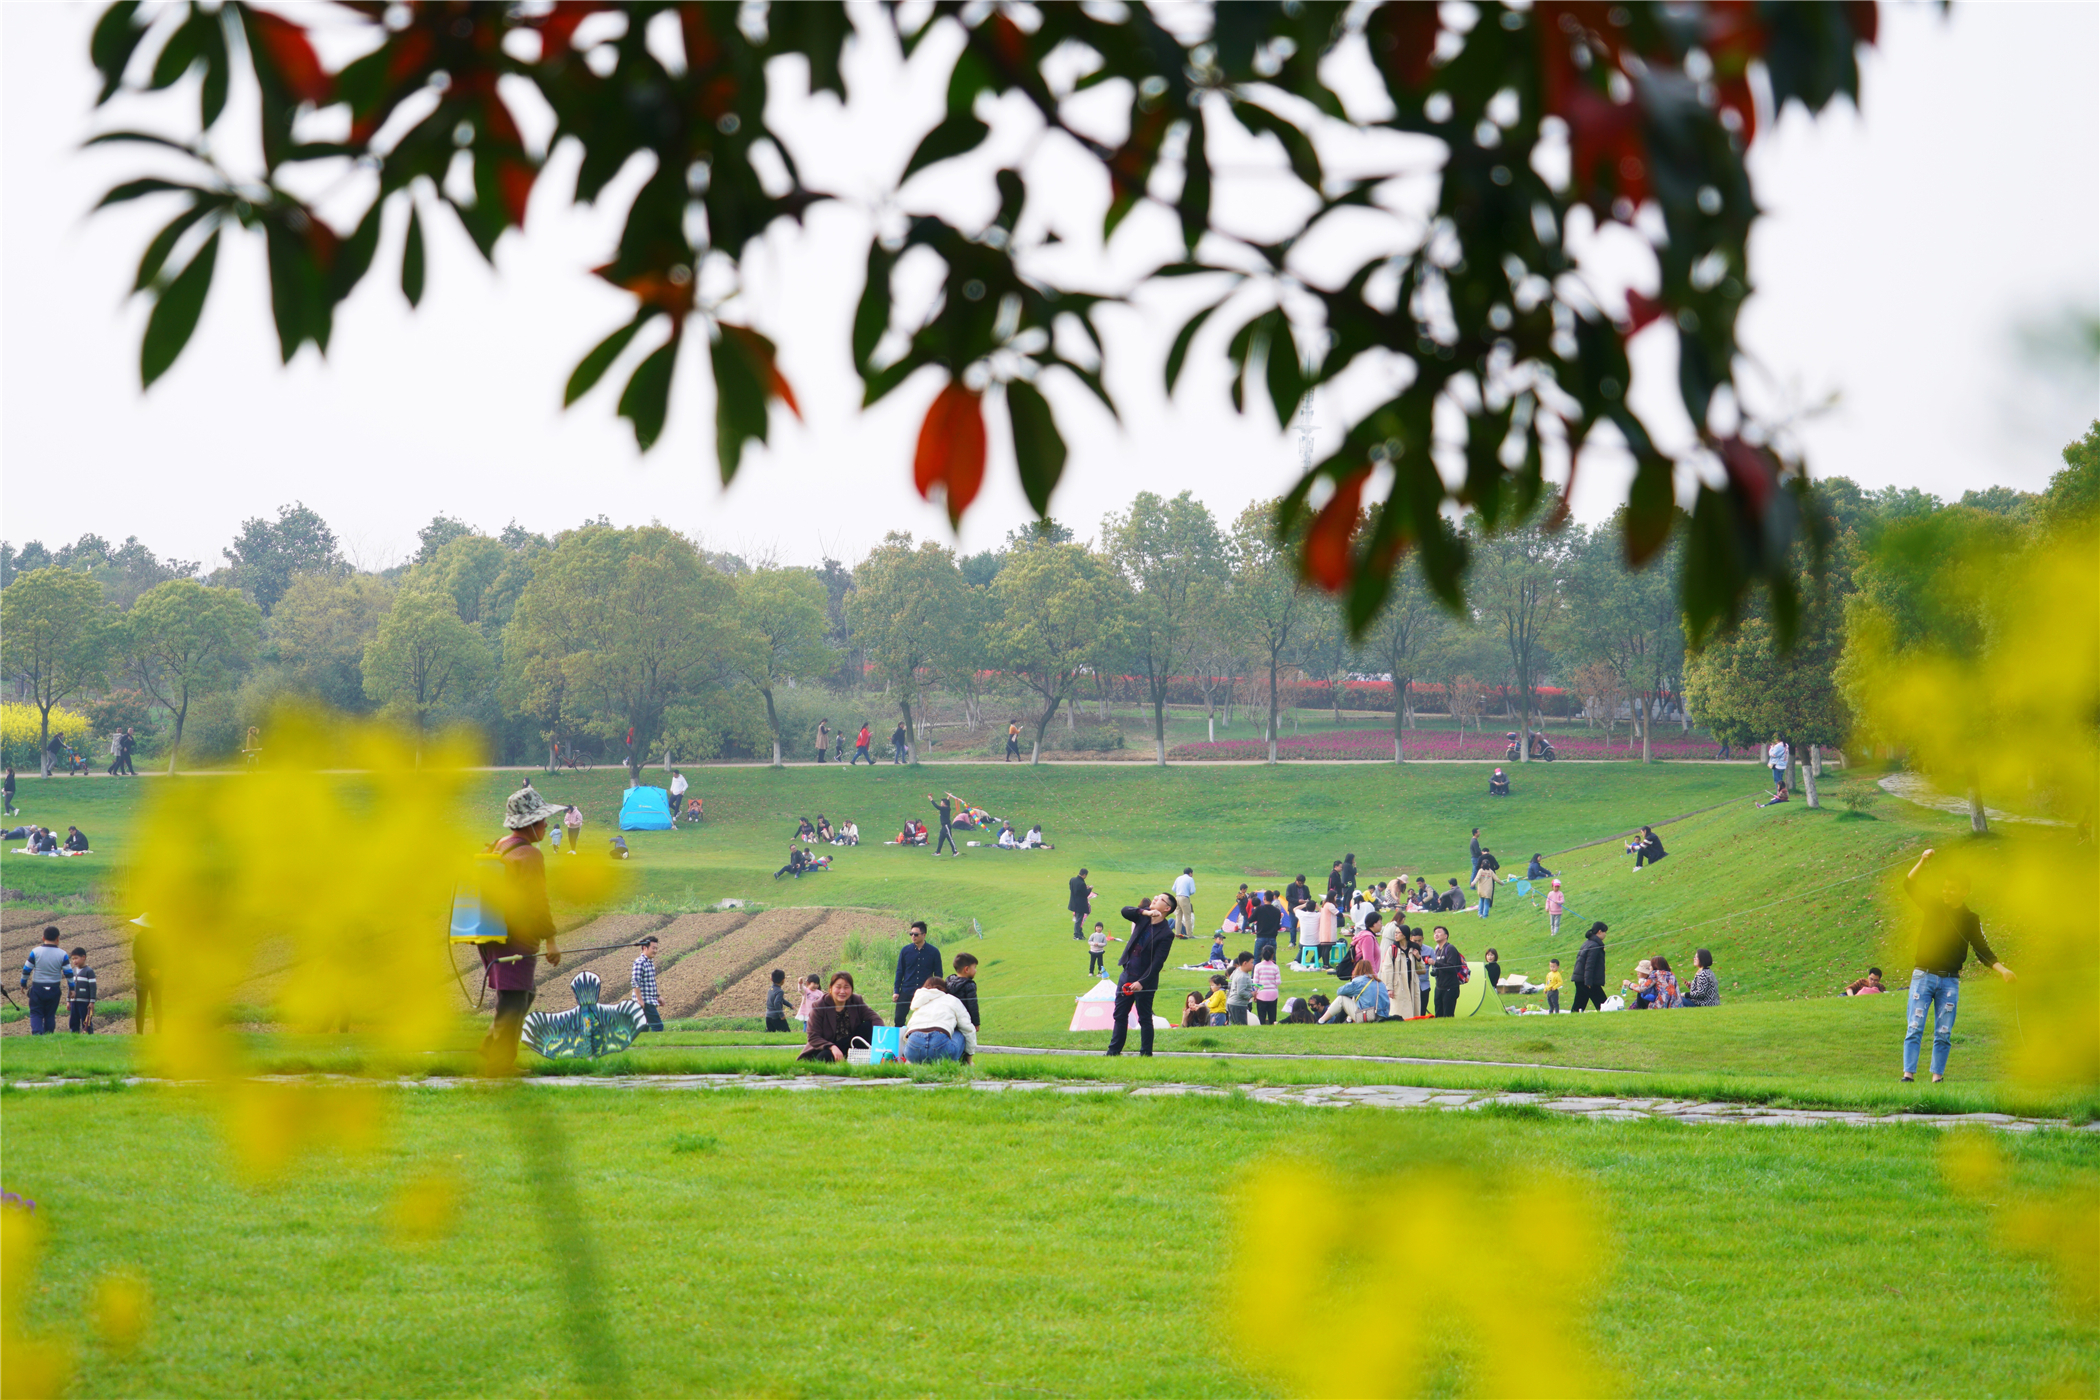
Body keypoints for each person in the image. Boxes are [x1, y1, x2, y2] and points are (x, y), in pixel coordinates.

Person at [1901, 848, 2014, 1083]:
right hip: (1923, 975)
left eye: (1951, 888)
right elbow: (1909, 885)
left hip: (1950, 980)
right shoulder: (1933, 905)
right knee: (1915, 1026)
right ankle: (1908, 1076)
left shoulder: (1970, 919)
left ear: (1964, 891)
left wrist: (2003, 971)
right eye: (1944, 887)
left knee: (1943, 1032)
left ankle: (1937, 1078)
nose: (1945, 892)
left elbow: (1982, 950)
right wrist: (1922, 860)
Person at [479, 788, 567, 1072]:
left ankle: (489, 1049)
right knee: (515, 998)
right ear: (529, 823)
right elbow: (538, 902)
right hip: (516, 938)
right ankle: (500, 1064)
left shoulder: (499, 845)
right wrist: (551, 941)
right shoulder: (529, 855)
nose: (545, 825)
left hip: (491, 934)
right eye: (542, 820)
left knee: (522, 994)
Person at [1107, 894, 1175, 1057]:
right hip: (1127, 974)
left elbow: (1158, 963)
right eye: (1156, 896)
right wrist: (1146, 913)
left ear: (1167, 909)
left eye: (1160, 899)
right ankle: (1113, 1051)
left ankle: (1145, 1054)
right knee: (1119, 1014)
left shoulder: (1166, 934)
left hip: (1146, 981)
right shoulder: (1143, 916)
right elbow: (1125, 911)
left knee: (1144, 1018)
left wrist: (1142, 982)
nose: (1155, 898)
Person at [800, 972, 881, 1062]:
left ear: (851, 989)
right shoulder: (820, 1005)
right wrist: (832, 1047)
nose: (842, 991)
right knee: (824, 1057)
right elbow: (813, 1036)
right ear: (830, 988)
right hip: (827, 1046)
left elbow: (875, 1018)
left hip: (849, 1043)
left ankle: (866, 1055)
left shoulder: (856, 1001)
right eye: (838, 987)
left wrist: (881, 1040)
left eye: (846, 987)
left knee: (868, 1026)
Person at [903, 974, 978, 1063]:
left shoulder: (919, 1002)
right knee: (961, 1031)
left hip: (913, 1049)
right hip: (940, 1046)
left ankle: (914, 1062)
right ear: (944, 988)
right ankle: (956, 1062)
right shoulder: (952, 999)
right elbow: (968, 1029)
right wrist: (969, 1057)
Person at [19, 927, 71, 1035]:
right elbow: (69, 974)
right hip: (54, 989)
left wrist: (23, 984)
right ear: (58, 939)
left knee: (36, 1013)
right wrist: (72, 989)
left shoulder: (35, 952)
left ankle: (37, 1034)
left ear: (43, 938)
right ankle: (48, 1035)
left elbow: (26, 970)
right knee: (50, 1015)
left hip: (38, 988)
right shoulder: (63, 954)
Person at [1321, 960, 1392, 1023]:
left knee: (1341, 999)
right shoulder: (1379, 982)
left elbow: (1339, 991)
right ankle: (1348, 1020)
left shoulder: (1359, 981)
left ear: (1357, 969)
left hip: (1368, 1016)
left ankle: (1321, 1021)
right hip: (1383, 1016)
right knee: (1358, 997)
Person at [1571, 923, 1609, 1013]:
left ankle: (1572, 1017)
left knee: (1579, 1004)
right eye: (1605, 932)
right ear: (1599, 932)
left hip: (1581, 979)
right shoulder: (1595, 946)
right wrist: (1588, 982)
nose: (1605, 934)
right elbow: (1589, 965)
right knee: (1603, 1004)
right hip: (1588, 980)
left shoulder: (1587, 943)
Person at [1428, 926, 1465, 1018]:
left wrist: (1436, 963)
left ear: (1446, 936)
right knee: (1438, 1015)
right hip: (1439, 987)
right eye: (1435, 933)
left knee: (1448, 1016)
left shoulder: (1450, 948)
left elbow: (1452, 967)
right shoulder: (1437, 950)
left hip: (1450, 987)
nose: (1436, 934)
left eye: (1439, 932)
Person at [632, 937, 664, 1032]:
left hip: (650, 1000)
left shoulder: (650, 962)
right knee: (658, 1026)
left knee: (643, 1028)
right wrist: (640, 1000)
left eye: (656, 948)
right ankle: (657, 1046)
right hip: (645, 1001)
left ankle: (645, 1046)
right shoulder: (640, 962)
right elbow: (635, 981)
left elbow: (651, 982)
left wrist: (658, 996)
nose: (655, 951)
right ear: (645, 948)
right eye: (653, 948)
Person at [946, 953, 981, 1033]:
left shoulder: (949, 981)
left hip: (949, 1019)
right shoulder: (969, 985)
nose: (975, 970)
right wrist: (976, 1023)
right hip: (964, 1019)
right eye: (974, 968)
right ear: (966, 969)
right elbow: (973, 1005)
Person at [66, 947, 97, 1033]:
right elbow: (70, 987)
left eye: (76, 958)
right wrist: (68, 1000)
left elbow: (93, 987)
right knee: (73, 1022)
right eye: (72, 959)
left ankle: (89, 1036)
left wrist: (92, 1002)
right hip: (74, 1002)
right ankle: (74, 1037)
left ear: (83, 957)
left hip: (84, 1003)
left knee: (86, 1022)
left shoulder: (89, 971)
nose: (74, 961)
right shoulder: (72, 971)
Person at [1250, 892, 1283, 964]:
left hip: (1261, 937)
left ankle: (1255, 975)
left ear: (1264, 898)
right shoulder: (1277, 911)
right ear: (1273, 899)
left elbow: (1250, 920)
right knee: (1272, 961)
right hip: (1272, 938)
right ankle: (1274, 974)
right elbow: (1278, 926)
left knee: (1256, 960)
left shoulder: (1259, 909)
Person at [1226, 952, 1257, 1026]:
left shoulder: (1237, 970)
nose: (1253, 965)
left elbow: (1231, 980)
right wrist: (1251, 994)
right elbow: (1240, 992)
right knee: (1241, 1026)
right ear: (1245, 963)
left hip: (1231, 1003)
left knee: (1234, 1025)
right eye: (1251, 962)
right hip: (1238, 1005)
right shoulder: (1242, 976)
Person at [1253, 946, 1281, 1024]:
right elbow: (1278, 982)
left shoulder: (1258, 966)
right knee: (1272, 1017)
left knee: (1261, 1017)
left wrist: (1255, 994)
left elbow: (1256, 983)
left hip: (1261, 994)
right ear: (1272, 955)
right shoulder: (1275, 967)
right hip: (1273, 994)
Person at [764, 968, 792, 1033]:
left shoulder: (771, 989)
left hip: (768, 1016)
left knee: (770, 1033)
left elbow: (781, 1000)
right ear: (783, 980)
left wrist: (790, 1005)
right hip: (776, 1017)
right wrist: (781, 1015)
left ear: (771, 979)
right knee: (787, 1033)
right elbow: (776, 1003)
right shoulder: (780, 991)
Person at [1172, 868, 1196, 938]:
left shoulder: (1178, 878)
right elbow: (1193, 891)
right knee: (1187, 916)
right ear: (1190, 873)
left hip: (1177, 897)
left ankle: (1177, 933)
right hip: (1184, 898)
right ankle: (1189, 934)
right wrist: (1187, 893)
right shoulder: (1190, 879)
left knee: (1178, 916)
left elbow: (1173, 889)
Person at [1767, 735, 1790, 800]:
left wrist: (1771, 748)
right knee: (1781, 781)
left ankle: (1780, 796)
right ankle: (1783, 794)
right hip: (1783, 765)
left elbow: (1773, 754)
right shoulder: (1786, 745)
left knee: (1777, 782)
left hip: (1777, 765)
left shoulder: (1778, 746)